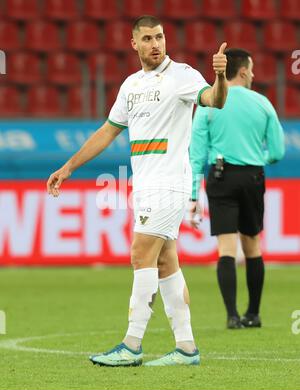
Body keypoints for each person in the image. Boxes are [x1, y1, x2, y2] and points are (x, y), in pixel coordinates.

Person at [47, 15, 228, 366]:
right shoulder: (130, 86)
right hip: (145, 185)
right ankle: (186, 348)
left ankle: (132, 345)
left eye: (159, 37)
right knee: (164, 261)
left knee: (139, 254)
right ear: (134, 44)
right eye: (147, 39)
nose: (155, 44)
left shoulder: (183, 76)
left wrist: (221, 76)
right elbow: (107, 131)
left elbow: (215, 100)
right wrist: (69, 167)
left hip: (168, 183)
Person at [190, 48, 285, 329]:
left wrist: (194, 194)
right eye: (252, 69)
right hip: (253, 176)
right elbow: (277, 151)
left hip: (221, 176)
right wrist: (258, 158)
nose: (253, 74)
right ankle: (253, 313)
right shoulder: (263, 104)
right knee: (253, 246)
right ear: (243, 71)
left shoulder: (207, 104)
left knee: (226, 248)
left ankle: (232, 315)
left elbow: (196, 154)